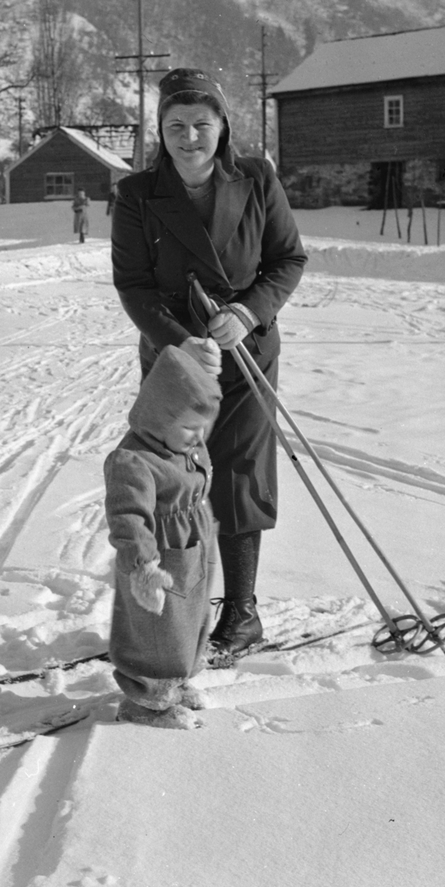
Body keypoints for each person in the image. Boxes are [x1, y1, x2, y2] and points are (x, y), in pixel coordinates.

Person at [110, 67, 307, 655]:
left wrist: (247, 313)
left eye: (201, 124)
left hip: (248, 353)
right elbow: (134, 285)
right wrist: (185, 345)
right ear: (160, 130)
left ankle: (242, 614)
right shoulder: (137, 195)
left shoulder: (257, 179)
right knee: (174, 483)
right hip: (176, 362)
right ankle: (176, 610)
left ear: (223, 127)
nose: (189, 136)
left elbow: (287, 260)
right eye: (176, 125)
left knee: (242, 472)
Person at [105, 344, 221, 729]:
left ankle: (175, 682)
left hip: (192, 549)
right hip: (159, 561)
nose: (197, 437)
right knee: (156, 632)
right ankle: (145, 701)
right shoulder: (133, 461)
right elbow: (129, 518)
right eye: (188, 427)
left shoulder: (178, 445)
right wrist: (144, 568)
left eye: (201, 428)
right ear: (159, 417)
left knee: (188, 620)